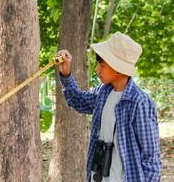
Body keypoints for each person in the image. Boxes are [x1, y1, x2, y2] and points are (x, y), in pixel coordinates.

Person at [56, 32, 161, 182]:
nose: (97, 70)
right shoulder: (103, 93)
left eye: (102, 65)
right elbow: (78, 100)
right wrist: (65, 73)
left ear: (118, 68)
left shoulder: (139, 102)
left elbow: (151, 158)